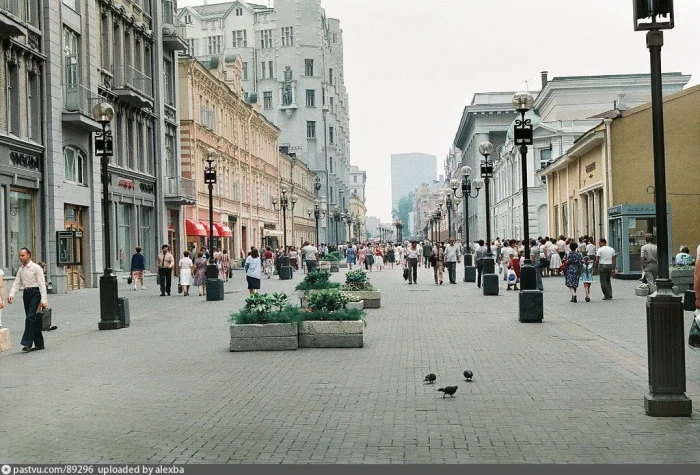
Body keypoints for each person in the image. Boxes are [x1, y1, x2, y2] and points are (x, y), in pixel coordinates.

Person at [7, 248, 49, 352]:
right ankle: (39, 343)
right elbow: (17, 282)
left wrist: (44, 300)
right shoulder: (21, 269)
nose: (21, 257)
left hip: (35, 293)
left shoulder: (36, 268)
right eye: (20, 255)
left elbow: (42, 284)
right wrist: (12, 294)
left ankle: (27, 343)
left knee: (30, 318)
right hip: (26, 293)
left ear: (28, 255)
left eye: (23, 255)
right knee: (32, 318)